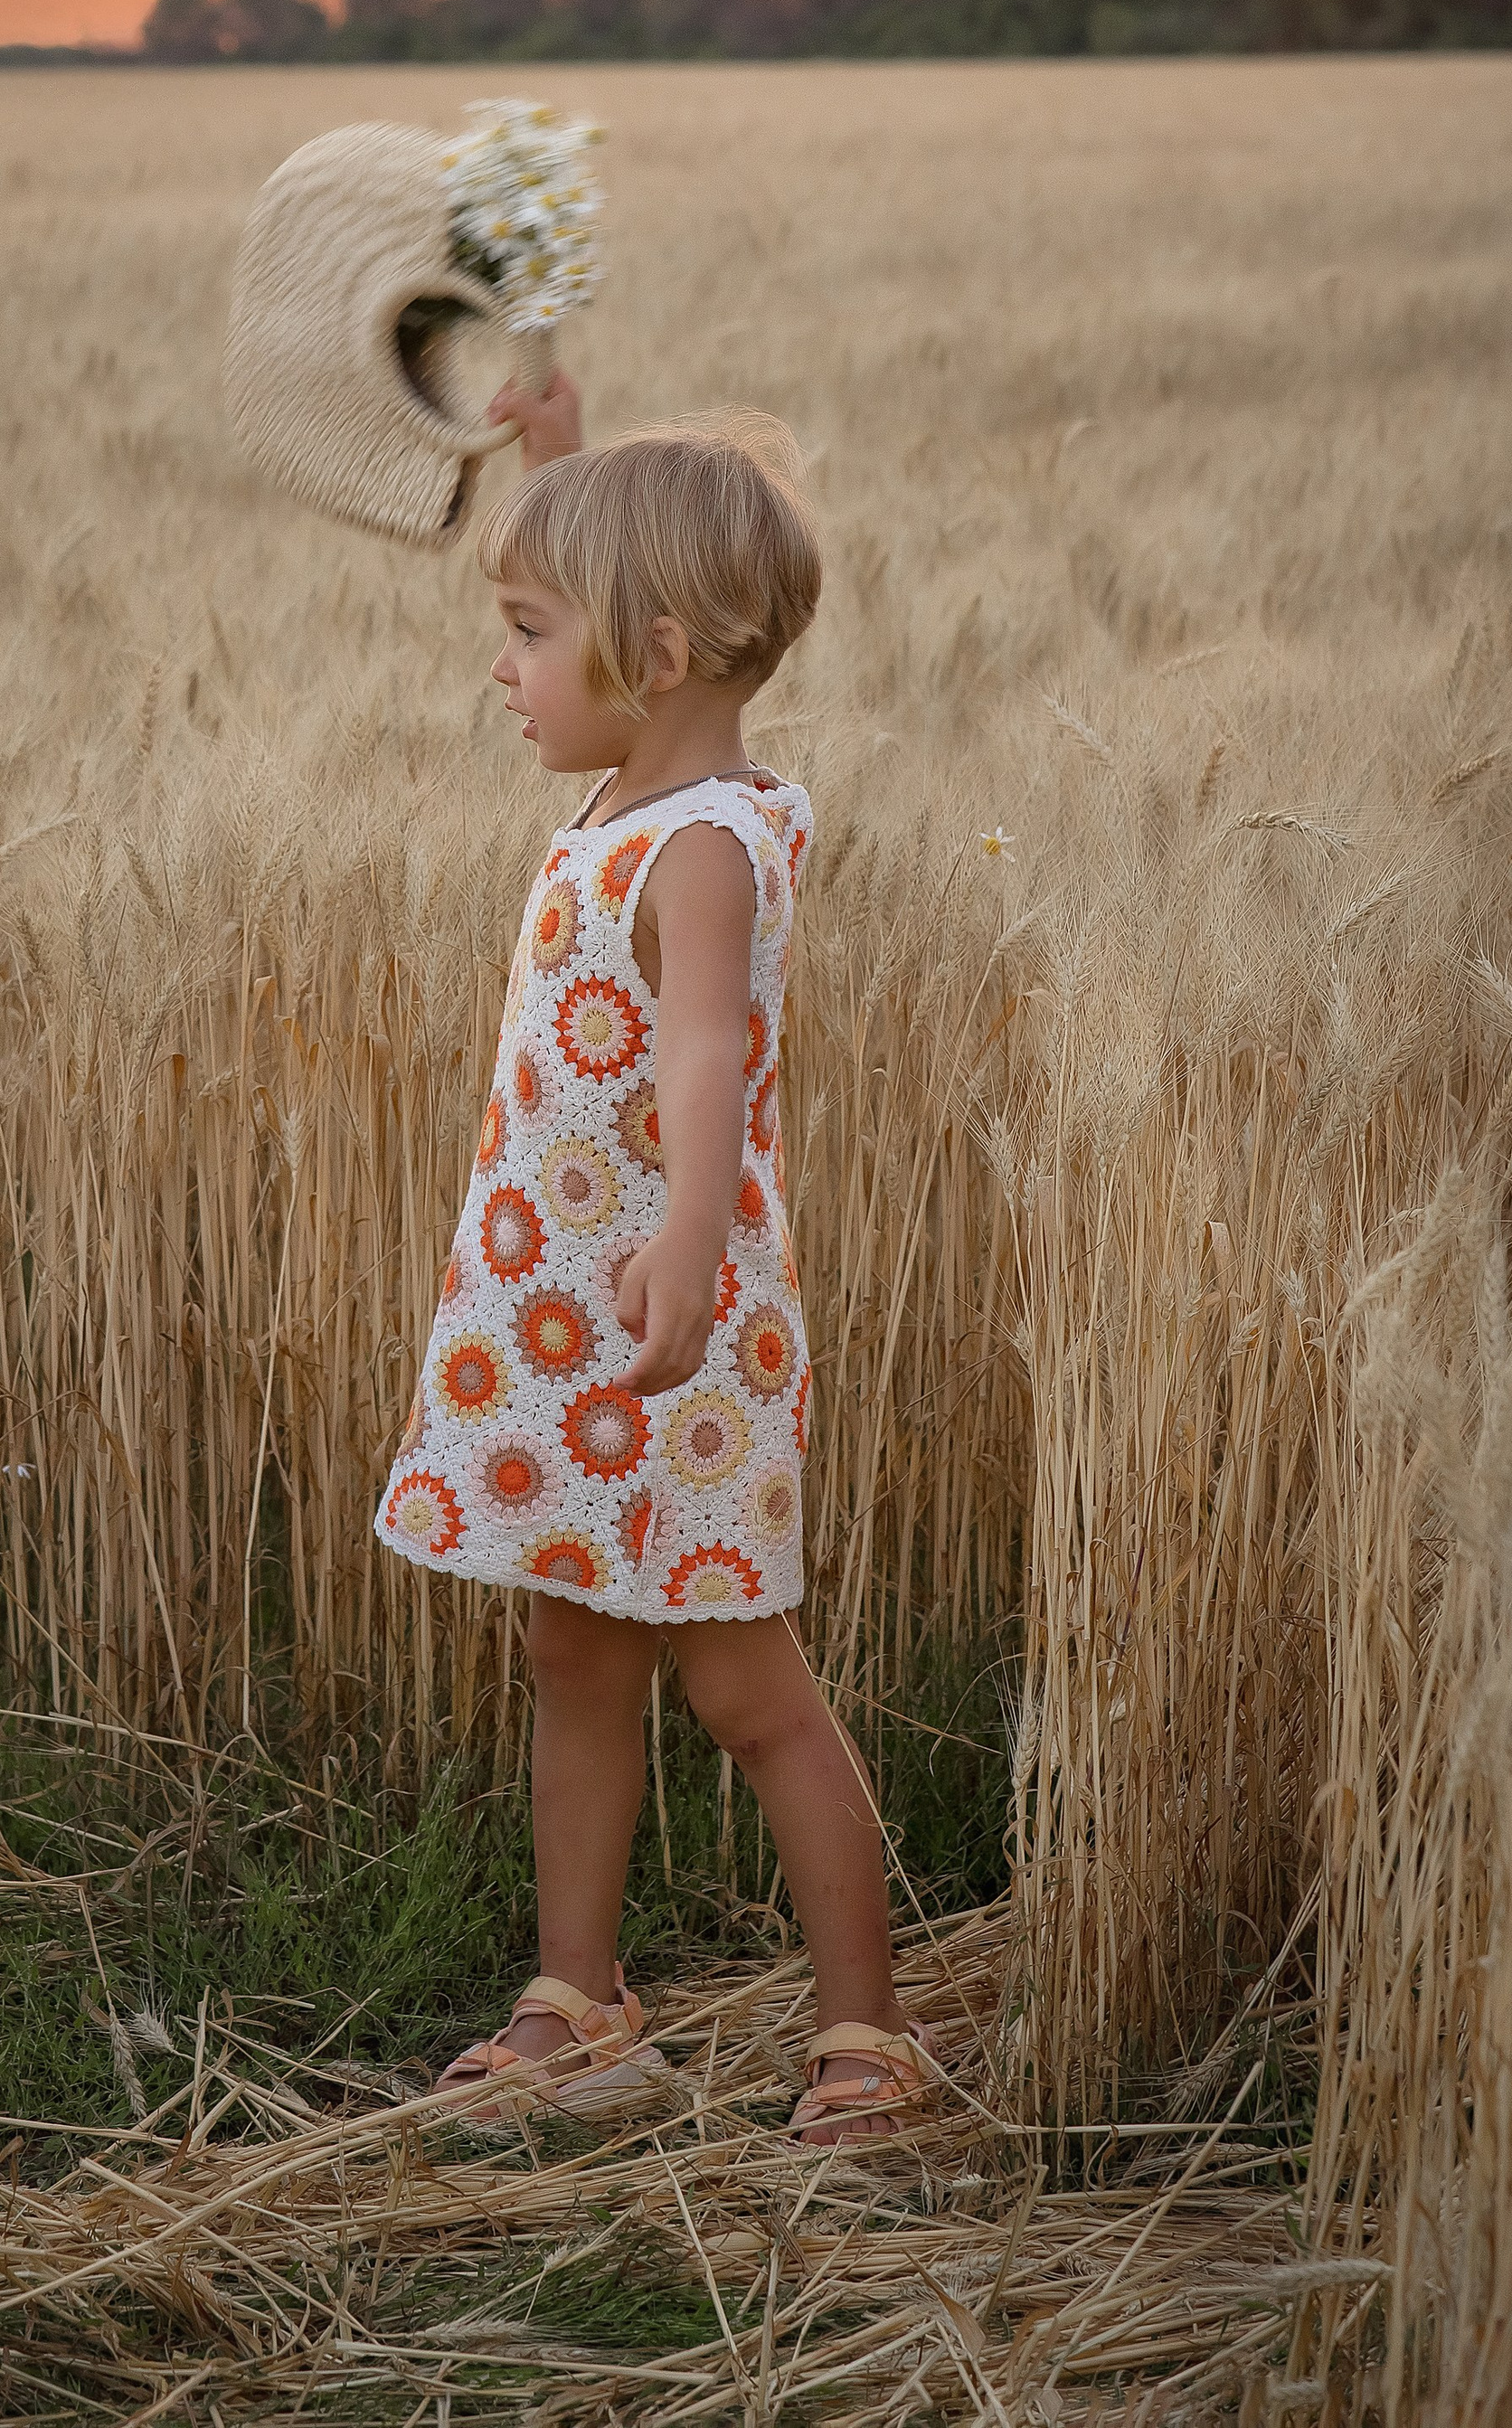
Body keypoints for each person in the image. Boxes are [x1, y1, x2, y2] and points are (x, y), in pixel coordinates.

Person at [373, 369, 933, 2148]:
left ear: (658, 650)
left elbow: (702, 1056)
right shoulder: (636, 789)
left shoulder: (698, 845)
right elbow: (621, 601)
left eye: (531, 630)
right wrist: (562, 457)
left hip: (662, 1328)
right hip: (558, 1323)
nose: (502, 666)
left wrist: (687, 1250)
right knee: (570, 1653)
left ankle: (867, 2038)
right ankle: (578, 1993)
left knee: (748, 1690)